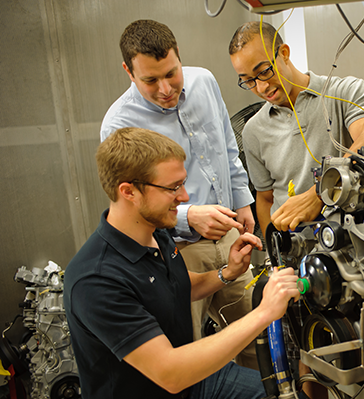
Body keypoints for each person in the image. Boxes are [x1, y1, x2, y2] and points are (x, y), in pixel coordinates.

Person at [64, 127, 300, 399]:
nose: (185, 196)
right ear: (129, 191)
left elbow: (177, 284)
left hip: (194, 383)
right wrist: (265, 313)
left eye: (183, 183)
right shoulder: (96, 280)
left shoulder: (155, 231)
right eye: (172, 188)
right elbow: (171, 374)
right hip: (172, 381)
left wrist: (227, 273)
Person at [101, 19, 257, 368]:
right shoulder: (118, 125)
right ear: (128, 71)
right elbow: (132, 204)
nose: (166, 88)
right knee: (190, 356)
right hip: (175, 250)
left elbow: (227, 146)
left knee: (252, 340)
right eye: (151, 80)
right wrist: (190, 215)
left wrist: (242, 198)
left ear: (179, 58)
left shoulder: (204, 81)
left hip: (230, 234)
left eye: (172, 73)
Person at [229, 22, 364, 237]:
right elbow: (265, 199)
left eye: (265, 71)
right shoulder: (253, 130)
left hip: (350, 243)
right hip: (297, 253)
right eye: (248, 81)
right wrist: (276, 254)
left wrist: (321, 193)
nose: (261, 87)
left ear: (284, 53)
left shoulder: (343, 92)